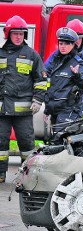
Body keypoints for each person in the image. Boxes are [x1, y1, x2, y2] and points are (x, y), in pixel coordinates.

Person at [0, 16, 47, 183]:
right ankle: (0, 174)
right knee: (1, 144)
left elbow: (41, 81)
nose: (19, 36)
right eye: (15, 33)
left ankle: (29, 176)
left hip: (24, 111)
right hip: (2, 110)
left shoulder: (32, 55)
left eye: (21, 34)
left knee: (27, 144)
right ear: (8, 34)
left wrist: (37, 101)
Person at [44, 27, 83, 133]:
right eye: (61, 43)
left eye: (66, 44)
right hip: (54, 110)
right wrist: (47, 110)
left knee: (60, 141)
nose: (63, 47)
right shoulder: (54, 60)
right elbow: (51, 87)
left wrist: (77, 75)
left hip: (68, 110)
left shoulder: (77, 62)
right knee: (53, 142)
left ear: (73, 45)